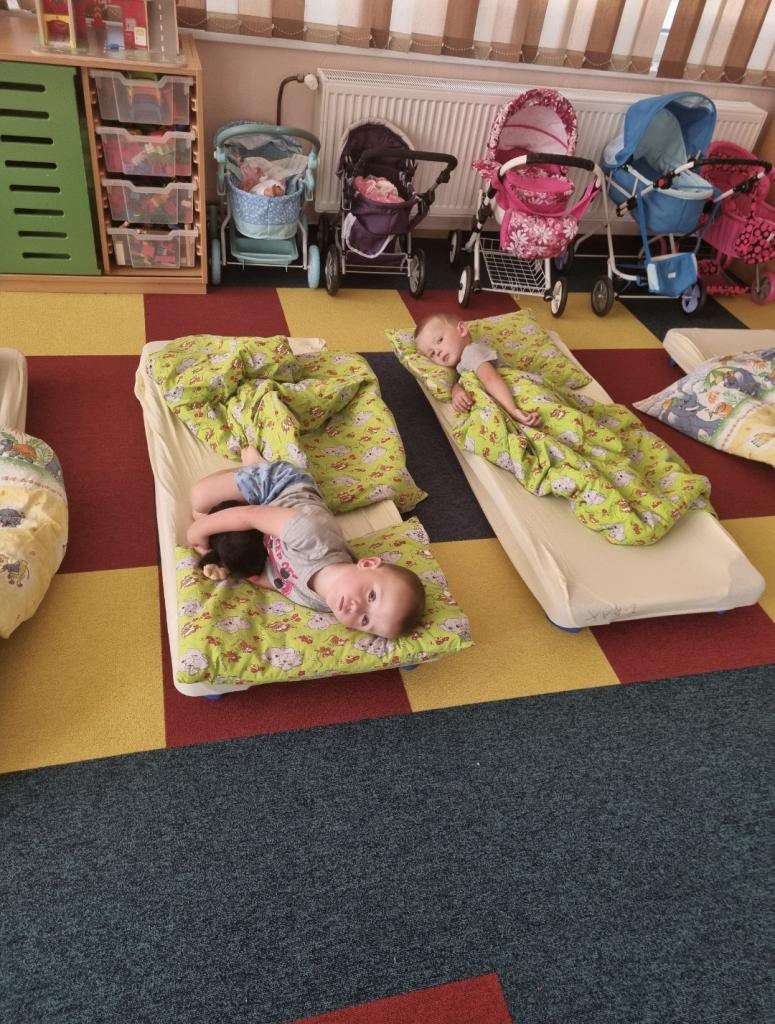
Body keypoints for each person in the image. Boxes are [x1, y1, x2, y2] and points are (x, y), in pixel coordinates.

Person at [186, 447, 426, 639]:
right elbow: (250, 515)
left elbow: (281, 580)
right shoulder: (312, 535)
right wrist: (197, 532)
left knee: (207, 517)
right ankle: (256, 467)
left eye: (365, 620)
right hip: (279, 488)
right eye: (371, 596)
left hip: (271, 529)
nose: (355, 608)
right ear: (368, 563)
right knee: (199, 501)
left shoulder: (323, 602)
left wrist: (245, 572)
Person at [414, 312, 541, 426]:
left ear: (462, 329)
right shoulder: (462, 365)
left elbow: (490, 378)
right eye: (432, 354)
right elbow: (460, 380)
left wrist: (512, 409)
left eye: (440, 340)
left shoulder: (471, 352)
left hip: (512, 393)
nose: (438, 351)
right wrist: (456, 392)